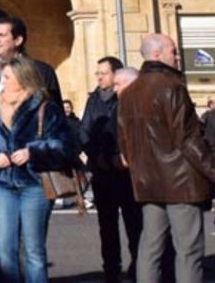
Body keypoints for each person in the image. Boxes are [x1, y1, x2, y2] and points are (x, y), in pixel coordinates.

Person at [118, 33, 215, 283]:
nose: (177, 55)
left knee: (150, 249)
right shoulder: (172, 87)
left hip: (149, 182)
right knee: (188, 251)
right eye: (173, 51)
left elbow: (124, 140)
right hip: (180, 182)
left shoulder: (129, 93)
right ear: (157, 55)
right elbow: (188, 138)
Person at [0, 15, 61, 282]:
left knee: (31, 243)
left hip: (32, 170)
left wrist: (35, 151)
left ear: (18, 40)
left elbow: (55, 122)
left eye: (2, 35)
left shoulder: (41, 72)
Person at [79, 56, 141, 283]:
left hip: (126, 172)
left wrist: (119, 157)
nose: (98, 77)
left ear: (116, 74)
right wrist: (97, 156)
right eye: (97, 73)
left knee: (135, 223)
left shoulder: (127, 98)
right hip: (102, 171)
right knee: (107, 226)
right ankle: (111, 270)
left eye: (102, 73)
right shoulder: (94, 99)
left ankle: (138, 267)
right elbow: (85, 132)